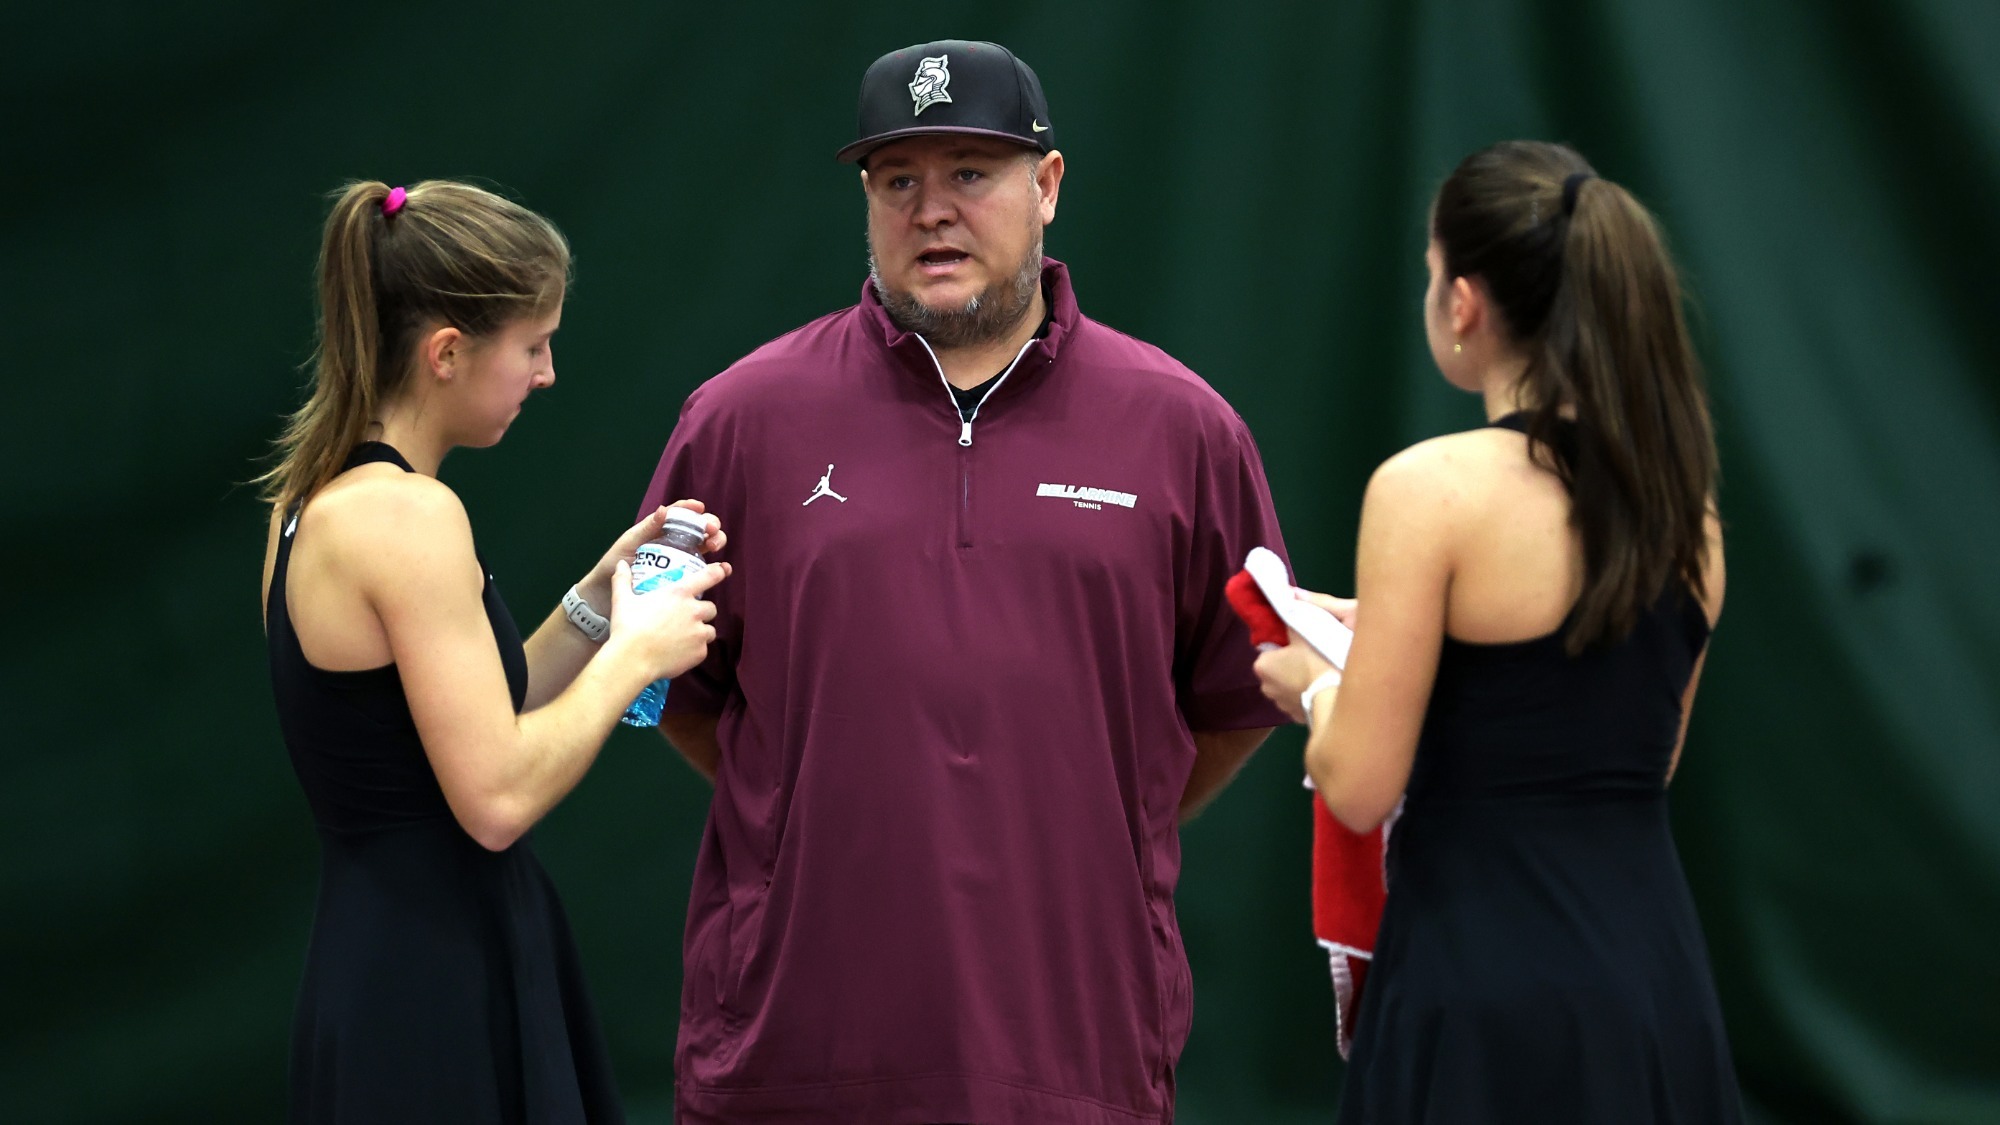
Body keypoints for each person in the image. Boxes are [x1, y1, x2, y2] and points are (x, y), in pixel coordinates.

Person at [636, 40, 1288, 1125]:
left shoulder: (1182, 427)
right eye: (898, 181)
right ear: (864, 201)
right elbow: (656, 685)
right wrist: (805, 810)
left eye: (969, 174)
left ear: (1047, 187)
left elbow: (1238, 696)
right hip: (796, 1056)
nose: (931, 211)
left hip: (1071, 1051)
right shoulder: (738, 418)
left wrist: (1092, 821)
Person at [1252, 140, 1741, 1121]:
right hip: (1655, 986)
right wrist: (1395, 638)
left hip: (1475, 995)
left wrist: (1310, 680)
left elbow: (1357, 784)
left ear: (1463, 304)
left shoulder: (1426, 491)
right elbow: (1622, 751)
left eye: (1430, 276)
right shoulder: (1689, 520)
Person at [257, 179, 730, 1124]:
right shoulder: (410, 516)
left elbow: (479, 710)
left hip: (394, 961)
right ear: (445, 353)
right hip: (432, 990)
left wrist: (601, 595)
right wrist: (635, 658)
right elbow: (497, 797)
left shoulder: (312, 501)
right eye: (532, 346)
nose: (546, 373)